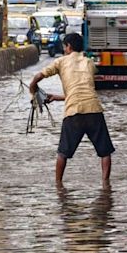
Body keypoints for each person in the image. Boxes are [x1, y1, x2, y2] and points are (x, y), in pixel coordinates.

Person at [29, 33, 115, 190]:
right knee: (105, 152)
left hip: (73, 112)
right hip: (93, 110)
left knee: (63, 153)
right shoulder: (89, 63)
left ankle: (58, 185)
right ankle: (105, 185)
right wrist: (56, 97)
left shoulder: (61, 62)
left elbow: (38, 77)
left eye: (64, 46)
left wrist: (33, 90)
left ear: (68, 47)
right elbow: (82, 90)